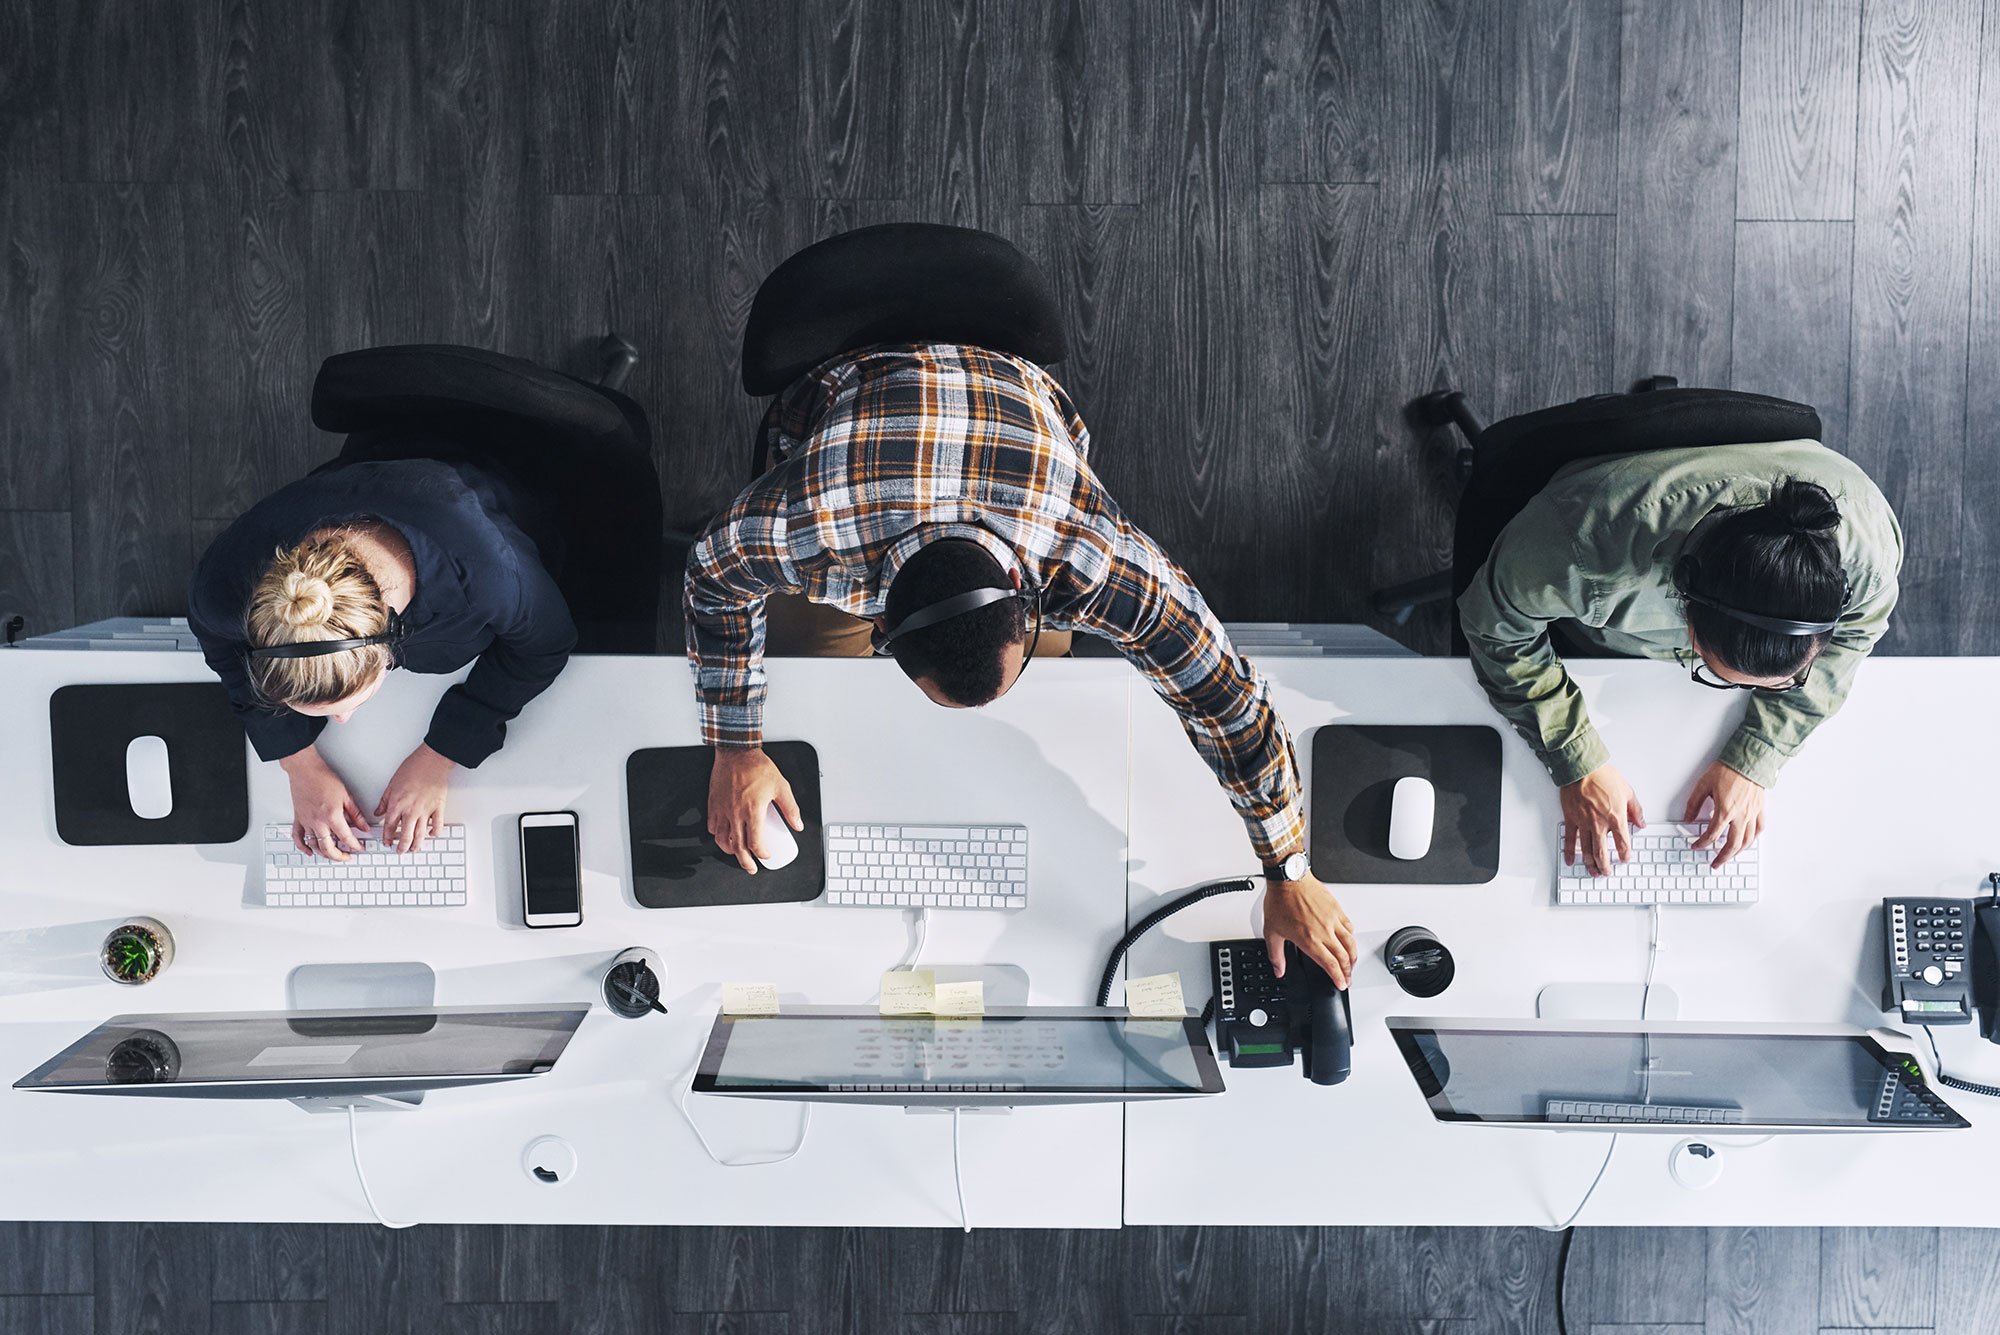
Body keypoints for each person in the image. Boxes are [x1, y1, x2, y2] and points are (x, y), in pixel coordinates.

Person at [684, 342, 1356, 985]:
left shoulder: (1086, 552)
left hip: (1013, 430)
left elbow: (1228, 700)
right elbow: (712, 575)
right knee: (811, 676)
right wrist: (736, 748)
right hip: (853, 394)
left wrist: (1288, 869)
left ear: (1027, 603)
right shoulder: (812, 525)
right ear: (879, 624)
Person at [1458, 443, 1901, 876]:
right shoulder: (1577, 549)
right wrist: (1577, 759)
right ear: (1685, 610)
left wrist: (1758, 755)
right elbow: (1495, 628)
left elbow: (1855, 638)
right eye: (1717, 673)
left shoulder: (1870, 559)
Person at [188, 456, 576, 860]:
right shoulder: (224, 586)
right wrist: (297, 761)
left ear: (387, 646)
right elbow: (216, 639)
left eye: (346, 706)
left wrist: (443, 752)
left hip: (516, 475)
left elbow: (545, 643)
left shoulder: (490, 577)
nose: (340, 721)